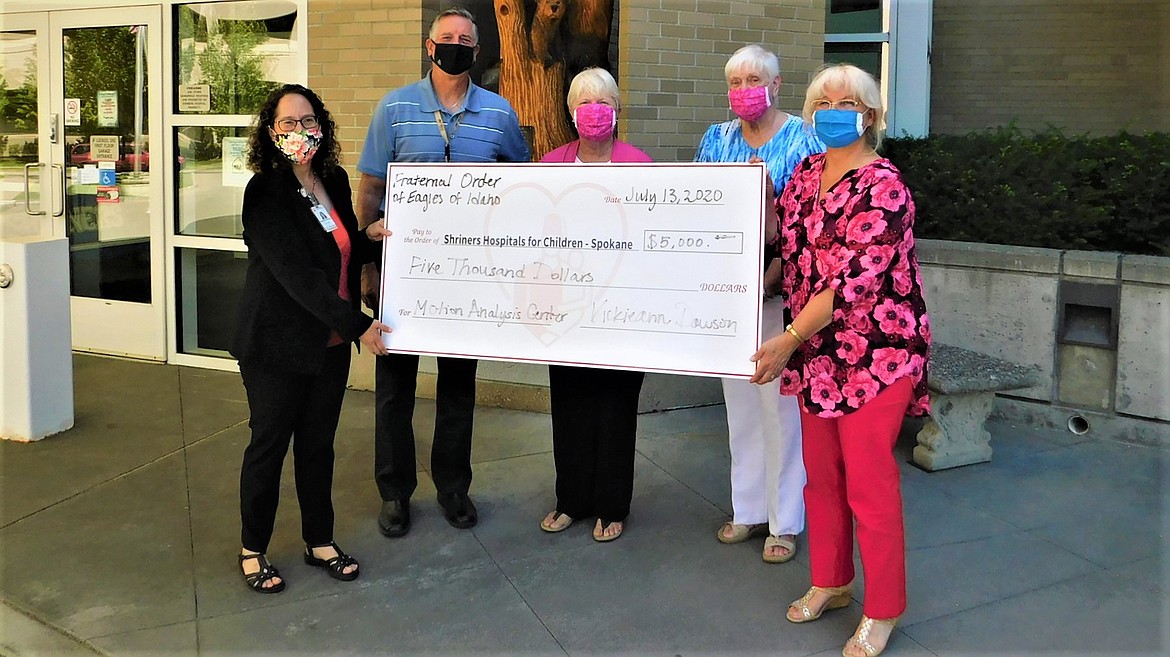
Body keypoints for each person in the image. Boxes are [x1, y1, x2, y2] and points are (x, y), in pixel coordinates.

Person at [751, 63, 931, 657]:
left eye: (847, 100)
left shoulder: (885, 186)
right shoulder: (803, 174)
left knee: (869, 485)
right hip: (817, 355)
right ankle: (832, 579)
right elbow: (790, 255)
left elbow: (851, 282)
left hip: (877, 354)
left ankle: (883, 608)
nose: (833, 108)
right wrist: (746, 290)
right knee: (821, 479)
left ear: (871, 115)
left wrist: (786, 340)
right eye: (823, 99)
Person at [357, 6, 530, 538]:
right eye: (446, 38)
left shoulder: (499, 113)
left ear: (476, 54)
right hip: (403, 278)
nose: (455, 45)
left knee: (458, 386)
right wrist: (368, 260)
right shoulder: (394, 108)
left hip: (470, 280)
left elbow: (519, 187)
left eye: (465, 40)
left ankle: (453, 487)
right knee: (395, 390)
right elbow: (369, 187)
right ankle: (395, 492)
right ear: (429, 47)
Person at [232, 84, 392, 593]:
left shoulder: (332, 178)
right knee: (270, 445)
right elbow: (298, 276)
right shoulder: (265, 193)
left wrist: (373, 238)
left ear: (320, 126)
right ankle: (252, 549)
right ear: (270, 132)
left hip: (327, 347)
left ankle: (319, 540)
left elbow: (341, 249)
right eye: (287, 123)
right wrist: (360, 326)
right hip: (276, 346)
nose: (299, 132)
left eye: (308, 121)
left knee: (319, 446)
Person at [694, 44, 823, 564]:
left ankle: (784, 519)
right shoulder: (716, 138)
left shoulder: (804, 138)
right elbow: (701, 206)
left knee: (781, 410)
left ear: (777, 84)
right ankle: (746, 509)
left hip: (782, 293)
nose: (744, 89)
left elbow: (814, 220)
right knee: (740, 406)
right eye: (736, 80)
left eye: (754, 79)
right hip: (730, 294)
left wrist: (776, 271)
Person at [538, 67, 651, 542]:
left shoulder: (640, 166)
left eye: (603, 101)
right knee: (569, 406)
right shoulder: (550, 165)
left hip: (623, 313)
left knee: (615, 406)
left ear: (617, 109)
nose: (594, 111)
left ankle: (611, 504)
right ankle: (572, 500)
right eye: (584, 102)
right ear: (570, 113)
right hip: (566, 311)